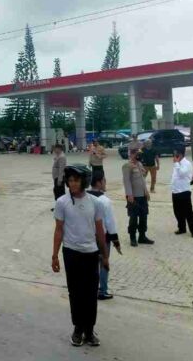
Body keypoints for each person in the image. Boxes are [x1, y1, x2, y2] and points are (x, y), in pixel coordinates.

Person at [52, 165, 109, 347]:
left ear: (83, 181)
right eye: (70, 180)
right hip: (71, 253)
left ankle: (90, 331)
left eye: (76, 180)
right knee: (75, 293)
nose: (72, 183)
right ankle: (78, 329)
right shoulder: (62, 202)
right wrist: (54, 255)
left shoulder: (95, 202)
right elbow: (59, 230)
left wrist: (105, 256)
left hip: (91, 254)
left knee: (90, 294)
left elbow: (100, 231)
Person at [87, 171, 122, 300]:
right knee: (104, 264)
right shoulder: (104, 201)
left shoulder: (85, 197)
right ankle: (102, 290)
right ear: (99, 182)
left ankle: (90, 288)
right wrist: (116, 241)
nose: (105, 183)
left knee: (90, 265)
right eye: (104, 180)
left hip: (88, 237)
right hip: (102, 238)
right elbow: (110, 223)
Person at [122, 148, 154, 247]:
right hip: (134, 197)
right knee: (134, 218)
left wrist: (146, 192)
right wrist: (129, 194)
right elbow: (126, 181)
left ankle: (142, 236)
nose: (138, 156)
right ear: (131, 154)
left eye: (139, 154)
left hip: (142, 196)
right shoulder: (127, 166)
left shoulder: (139, 164)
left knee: (144, 216)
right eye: (137, 154)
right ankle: (132, 237)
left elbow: (142, 179)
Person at [171, 146, 193, 237]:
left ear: (180, 154)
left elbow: (182, 174)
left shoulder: (187, 163)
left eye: (176, 154)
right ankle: (182, 228)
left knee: (188, 212)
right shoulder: (177, 163)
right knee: (177, 212)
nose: (174, 156)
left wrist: (176, 164)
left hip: (184, 191)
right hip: (175, 191)